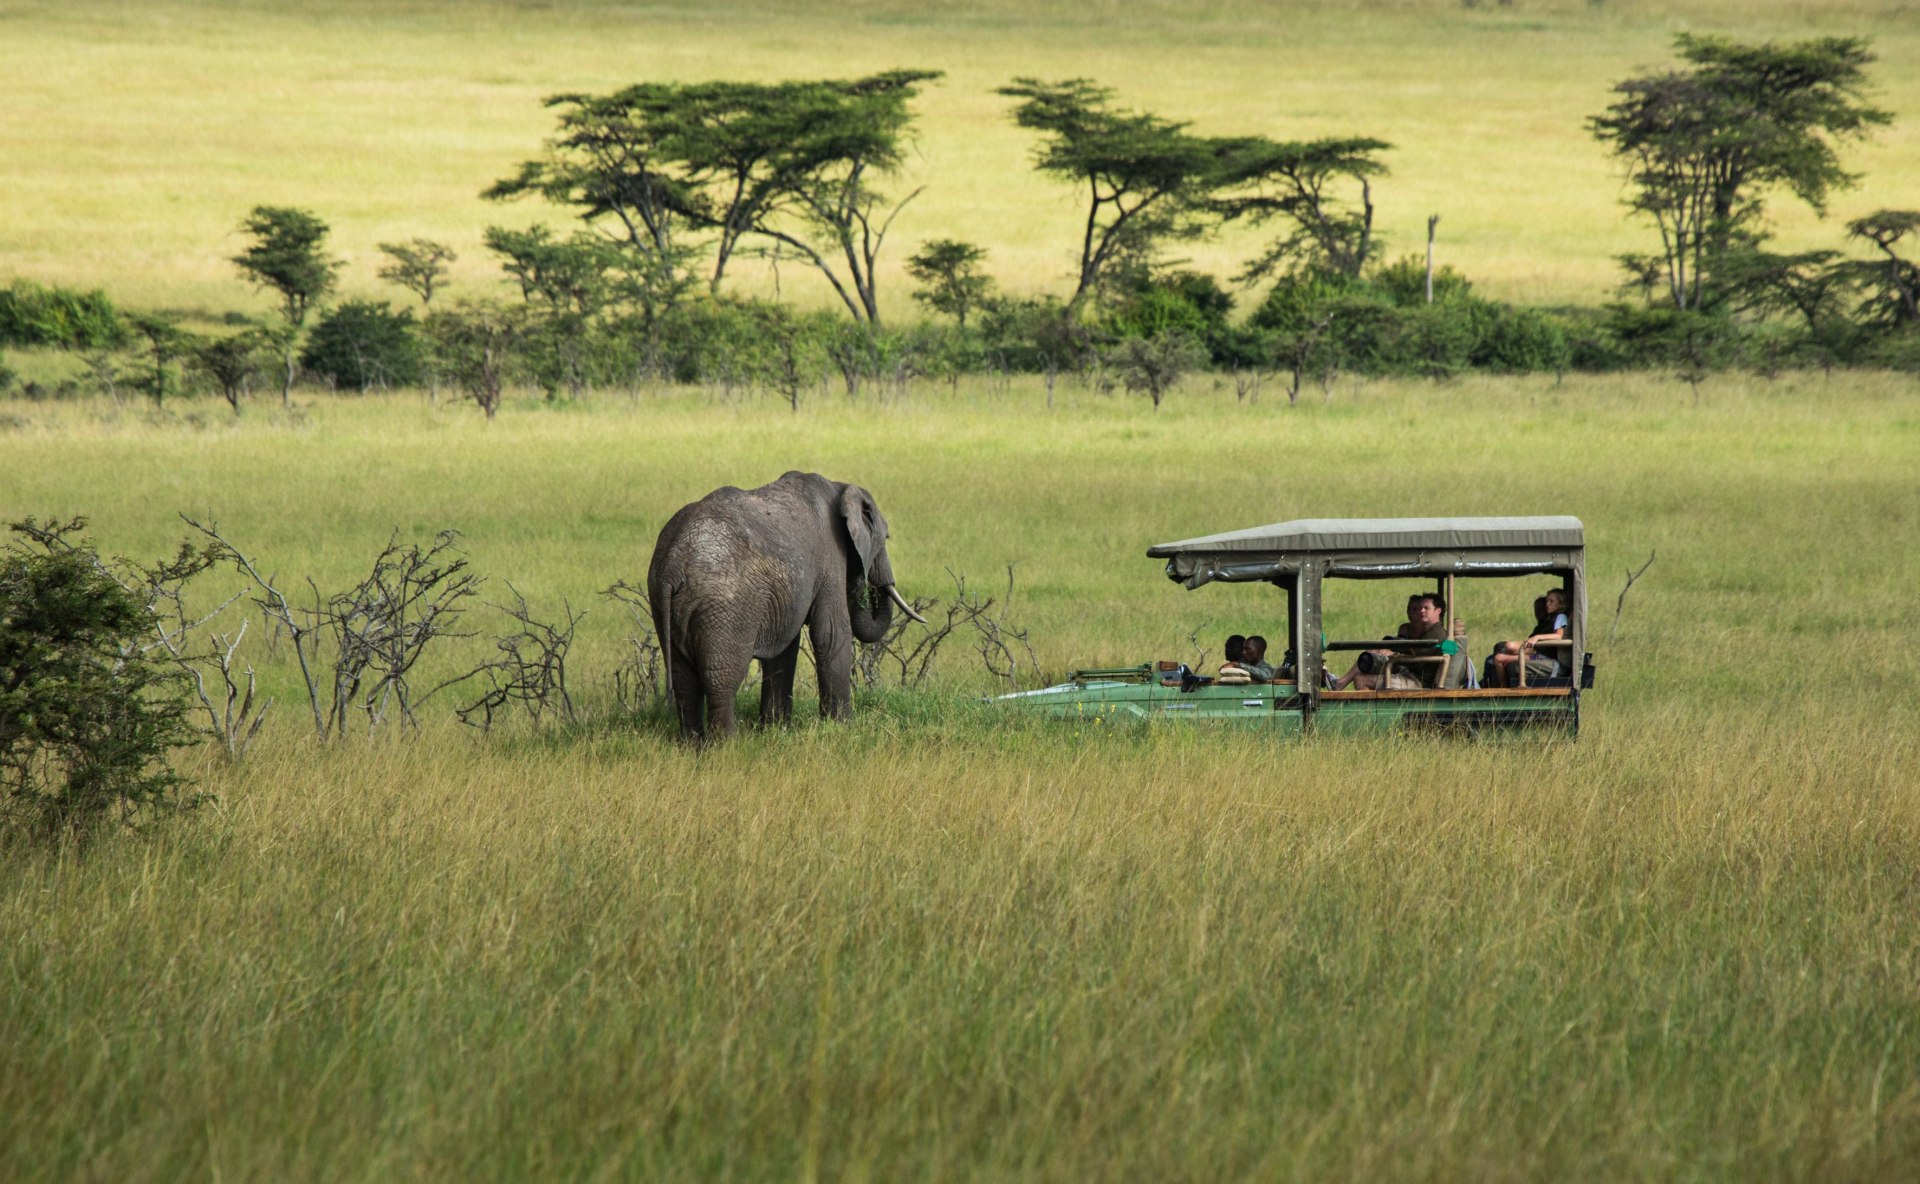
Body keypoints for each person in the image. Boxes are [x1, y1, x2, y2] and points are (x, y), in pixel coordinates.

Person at [1328, 593, 1449, 691]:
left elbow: (1418, 662)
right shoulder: (1430, 631)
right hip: (1413, 675)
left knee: (1361, 680)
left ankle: (1373, 717)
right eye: (1421, 608)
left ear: (1438, 611)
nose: (1421, 611)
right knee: (1371, 657)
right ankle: (1340, 684)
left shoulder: (1435, 634)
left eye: (1426, 608)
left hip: (1418, 682)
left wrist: (1394, 655)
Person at [1485, 588, 1568, 688]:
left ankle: (1503, 689)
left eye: (1551, 601)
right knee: (1499, 657)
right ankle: (1502, 688)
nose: (1547, 604)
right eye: (1547, 601)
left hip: (1544, 657)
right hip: (1538, 653)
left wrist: (1536, 638)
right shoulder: (1549, 619)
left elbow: (1559, 636)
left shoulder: (1561, 617)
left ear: (1560, 604)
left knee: (1501, 656)